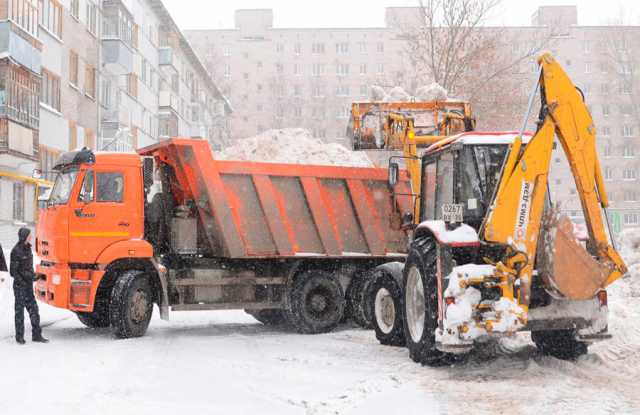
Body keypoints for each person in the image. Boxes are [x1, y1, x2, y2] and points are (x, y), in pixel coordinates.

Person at [10, 228, 48, 344]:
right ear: (24, 236)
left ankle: (36, 335)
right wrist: (23, 281)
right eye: (29, 235)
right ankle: (19, 337)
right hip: (19, 286)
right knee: (19, 312)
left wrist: (34, 276)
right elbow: (14, 272)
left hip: (27, 286)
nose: (31, 237)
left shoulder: (28, 249)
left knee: (34, 310)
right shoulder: (16, 251)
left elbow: (27, 269)